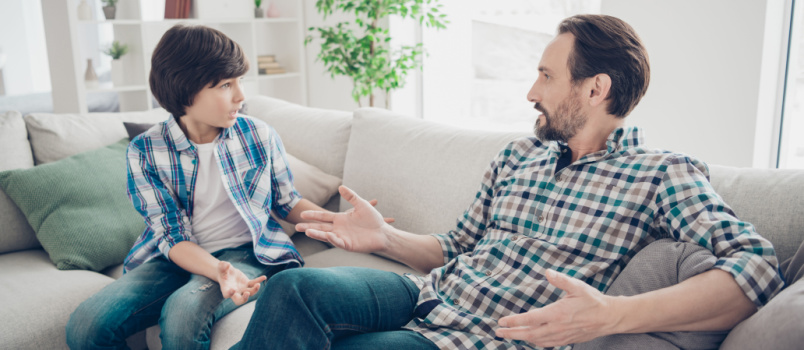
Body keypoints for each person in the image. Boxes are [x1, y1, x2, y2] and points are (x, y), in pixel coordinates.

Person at [232, 14, 784, 350]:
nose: (531, 92)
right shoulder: (519, 156)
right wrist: (385, 240)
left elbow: (756, 267)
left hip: (476, 338)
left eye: (546, 76)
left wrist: (612, 315)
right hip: (427, 294)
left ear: (596, 89)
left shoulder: (661, 173)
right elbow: (456, 247)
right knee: (293, 288)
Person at [65, 24, 329, 349]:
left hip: (248, 253)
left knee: (182, 315)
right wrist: (217, 270)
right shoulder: (145, 150)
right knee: (85, 325)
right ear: (185, 91)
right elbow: (171, 235)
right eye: (224, 85)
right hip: (176, 256)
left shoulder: (258, 135)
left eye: (240, 81)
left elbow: (286, 202)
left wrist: (338, 222)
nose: (240, 96)